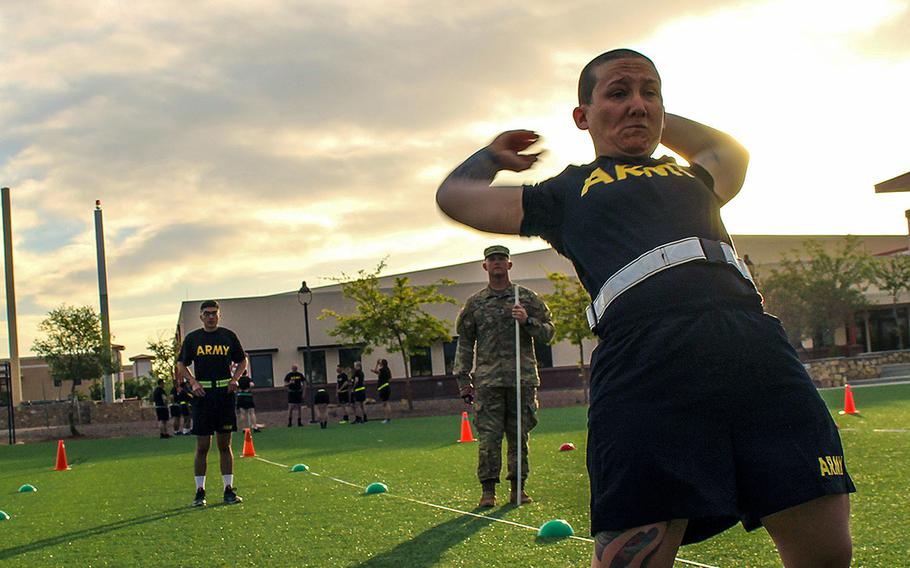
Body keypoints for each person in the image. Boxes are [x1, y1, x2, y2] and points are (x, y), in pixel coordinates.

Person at [436, 49, 854, 567]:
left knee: (827, 555)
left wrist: (644, 108)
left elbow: (728, 150)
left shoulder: (694, 177)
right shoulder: (564, 192)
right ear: (581, 117)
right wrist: (493, 157)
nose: (638, 104)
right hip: (646, 361)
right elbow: (456, 196)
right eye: (618, 93)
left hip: (754, 349)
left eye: (649, 92)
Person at [452, 245, 554, 508]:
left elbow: (548, 333)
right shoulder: (475, 304)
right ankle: (488, 491)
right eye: (492, 260)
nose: (497, 263)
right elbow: (464, 343)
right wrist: (463, 380)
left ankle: (518, 488)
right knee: (488, 438)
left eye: (501, 259)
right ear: (485, 266)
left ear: (509, 265)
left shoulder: (526, 299)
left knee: (519, 436)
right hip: (488, 382)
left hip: (522, 380)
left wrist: (527, 320)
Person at [176, 300, 247, 507]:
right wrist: (193, 382)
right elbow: (181, 363)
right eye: (206, 313)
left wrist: (235, 379)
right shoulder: (193, 339)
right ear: (201, 316)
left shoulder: (228, 336)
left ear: (219, 315)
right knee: (202, 446)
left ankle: (228, 490)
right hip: (203, 397)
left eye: (214, 313)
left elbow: (243, 360)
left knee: (225, 445)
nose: (210, 316)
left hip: (224, 395)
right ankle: (200, 492)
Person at [371, 359, 392, 423]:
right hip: (387, 387)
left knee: (384, 404)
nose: (379, 364)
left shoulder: (382, 370)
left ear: (382, 364)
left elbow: (375, 371)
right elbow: (390, 378)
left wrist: (376, 364)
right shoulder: (388, 370)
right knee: (387, 403)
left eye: (380, 363)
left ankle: (386, 418)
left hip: (383, 388)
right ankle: (388, 417)